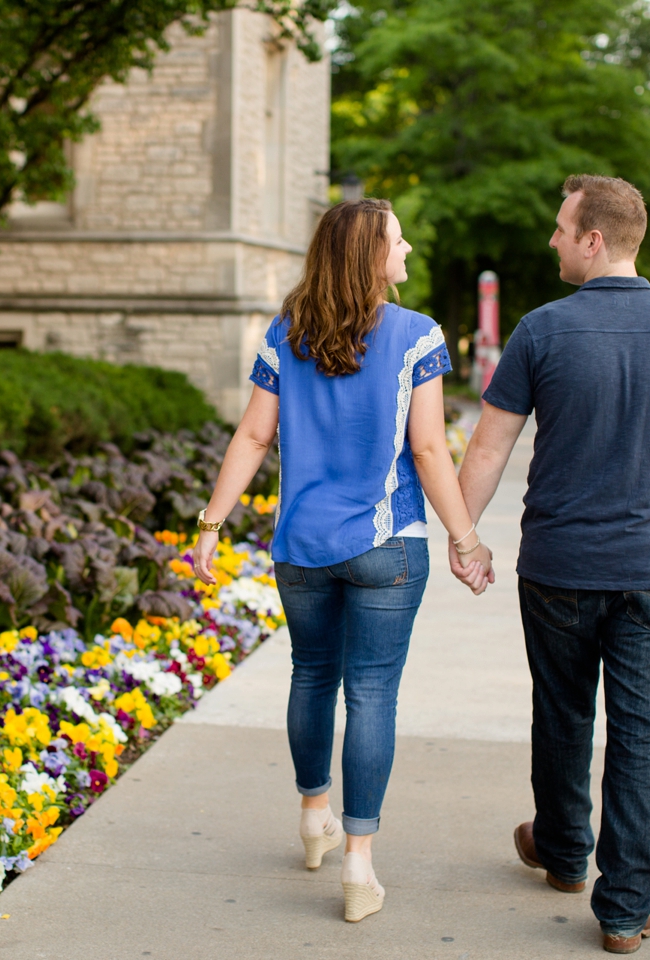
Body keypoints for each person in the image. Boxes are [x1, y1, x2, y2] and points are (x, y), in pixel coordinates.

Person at [454, 175, 650, 954]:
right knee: (641, 731)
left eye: (560, 228)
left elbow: (489, 445)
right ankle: (624, 910)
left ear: (594, 239)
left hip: (559, 565)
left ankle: (564, 852)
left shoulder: (542, 331)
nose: (551, 239)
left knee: (564, 713)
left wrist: (462, 533)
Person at [192, 197, 491, 923]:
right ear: (369, 256)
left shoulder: (284, 333)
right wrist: (465, 537)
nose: (409, 247)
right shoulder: (417, 337)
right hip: (385, 545)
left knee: (312, 676)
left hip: (301, 546)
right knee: (373, 695)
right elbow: (426, 450)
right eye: (397, 239)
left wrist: (210, 522)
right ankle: (358, 865)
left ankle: (311, 816)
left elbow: (254, 437)